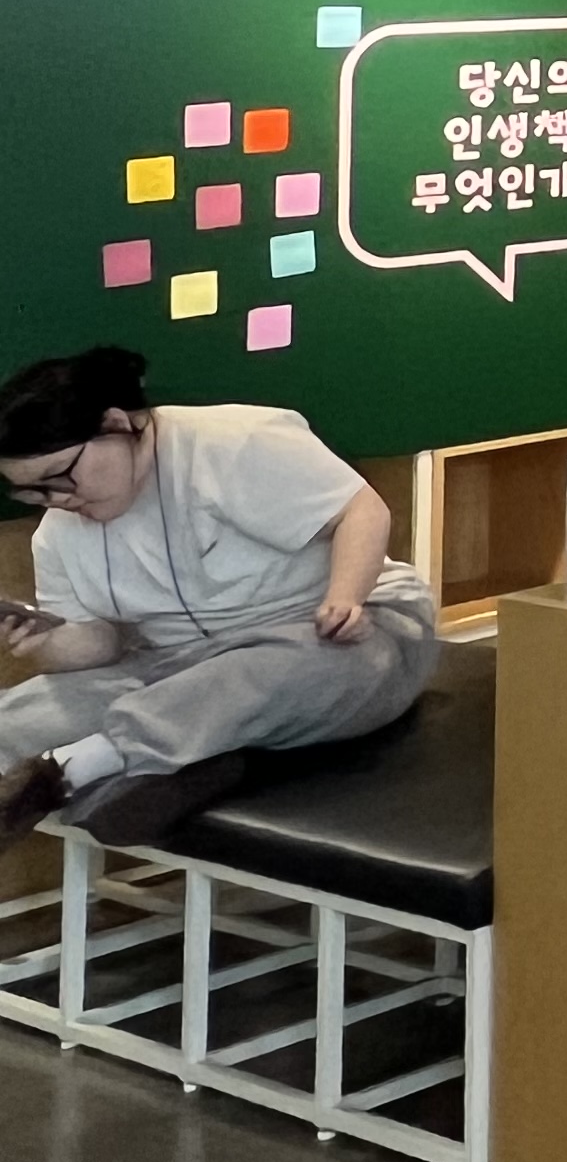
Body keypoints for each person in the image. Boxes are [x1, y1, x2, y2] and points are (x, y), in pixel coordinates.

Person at [0, 345, 438, 846]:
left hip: (332, 636)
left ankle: (74, 768)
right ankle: (186, 760)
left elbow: (360, 510)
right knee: (24, 713)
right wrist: (47, 644)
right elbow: (101, 646)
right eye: (33, 492)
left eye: (60, 476)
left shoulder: (234, 441)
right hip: (180, 664)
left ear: (117, 424)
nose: (57, 499)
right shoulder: (56, 534)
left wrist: (347, 597)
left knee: (269, 673)